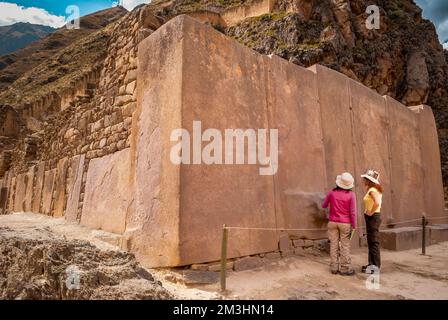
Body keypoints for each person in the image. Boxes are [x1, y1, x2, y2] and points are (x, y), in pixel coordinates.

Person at [322, 172, 357, 276]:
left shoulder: (331, 193)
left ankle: (334, 267)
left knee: (333, 244)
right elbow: (353, 212)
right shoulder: (351, 195)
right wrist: (354, 226)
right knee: (345, 245)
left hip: (332, 222)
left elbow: (324, 205)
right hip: (345, 223)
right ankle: (345, 268)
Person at [361, 169, 383, 274]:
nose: (363, 180)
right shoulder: (374, 189)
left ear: (369, 180)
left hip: (373, 217)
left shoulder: (372, 190)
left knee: (373, 242)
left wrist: (370, 212)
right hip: (373, 217)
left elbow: (377, 202)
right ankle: (372, 264)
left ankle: (375, 267)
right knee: (371, 241)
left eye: (365, 179)